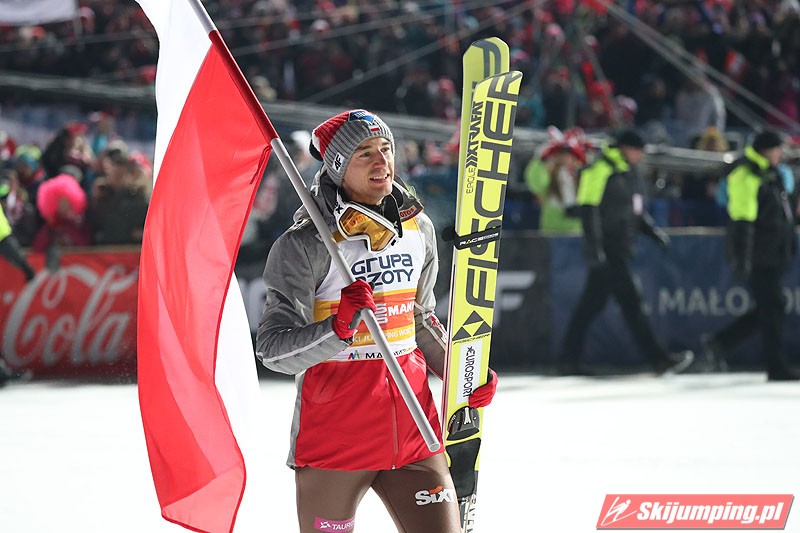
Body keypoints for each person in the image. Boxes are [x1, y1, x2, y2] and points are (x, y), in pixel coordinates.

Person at [256, 110, 497, 533]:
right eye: (364, 153)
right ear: (337, 166)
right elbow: (273, 351)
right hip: (336, 440)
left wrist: (462, 372)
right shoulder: (305, 244)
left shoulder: (417, 228)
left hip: (414, 429)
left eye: (386, 149)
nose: (382, 161)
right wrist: (338, 329)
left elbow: (419, 320)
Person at [557, 129, 694, 376]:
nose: (641, 156)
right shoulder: (600, 170)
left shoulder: (628, 174)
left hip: (619, 248)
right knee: (632, 304)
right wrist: (595, 249)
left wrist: (652, 233)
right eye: (638, 150)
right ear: (625, 149)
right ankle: (658, 359)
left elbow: (635, 211)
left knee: (590, 307)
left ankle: (568, 359)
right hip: (609, 250)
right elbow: (588, 210)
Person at [701, 130, 799, 381]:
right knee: (773, 307)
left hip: (773, 251)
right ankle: (776, 367)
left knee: (771, 307)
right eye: (778, 149)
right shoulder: (746, 174)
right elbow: (743, 222)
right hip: (758, 254)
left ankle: (720, 343)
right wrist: (743, 260)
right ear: (767, 150)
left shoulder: (770, 172)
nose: (781, 154)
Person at [524, 126, 589, 232]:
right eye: (562, 153)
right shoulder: (549, 176)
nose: (567, 157)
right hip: (553, 233)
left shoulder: (582, 176)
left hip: (577, 234)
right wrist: (541, 159)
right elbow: (534, 181)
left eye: (571, 154)